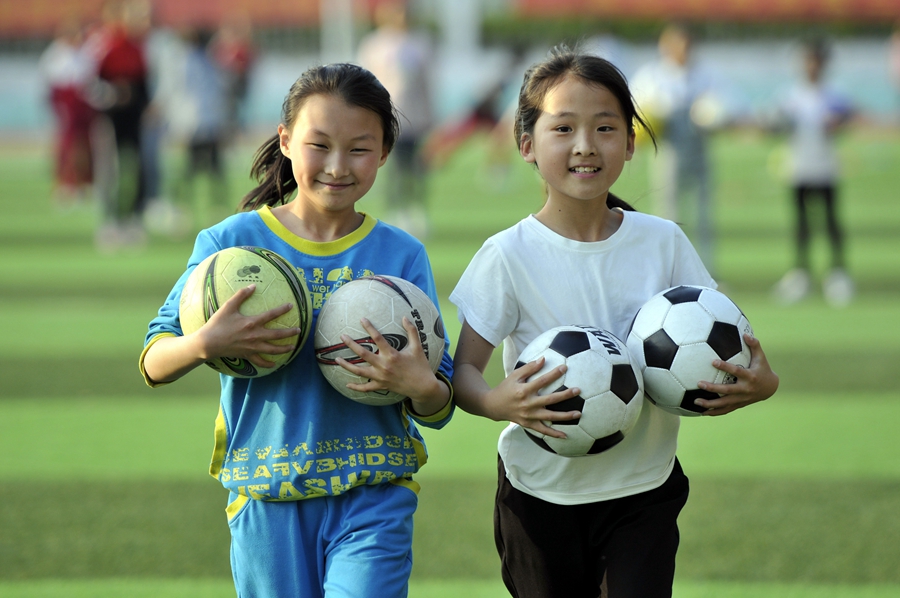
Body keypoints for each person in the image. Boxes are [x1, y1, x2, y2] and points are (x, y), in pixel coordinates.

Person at [450, 46, 778, 598]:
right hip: (539, 494)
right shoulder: (507, 256)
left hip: (643, 489)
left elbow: (730, 343)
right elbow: (462, 373)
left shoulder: (663, 241)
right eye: (564, 128)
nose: (585, 145)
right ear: (527, 145)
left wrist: (761, 383)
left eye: (605, 127)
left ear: (630, 142)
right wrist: (493, 402)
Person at [140, 63, 454, 598]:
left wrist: (418, 383)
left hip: (373, 491)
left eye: (359, 148)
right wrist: (202, 345)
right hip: (266, 496)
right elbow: (153, 360)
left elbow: (440, 402)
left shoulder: (401, 255)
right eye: (319, 145)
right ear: (286, 141)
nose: (338, 166)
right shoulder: (229, 245)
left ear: (383, 153)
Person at [631, 23, 727, 278]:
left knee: (704, 215)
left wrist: (711, 115)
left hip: (699, 148)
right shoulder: (652, 75)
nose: (684, 51)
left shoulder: (706, 73)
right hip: (669, 151)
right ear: (666, 47)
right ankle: (670, 273)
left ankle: (707, 273)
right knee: (668, 215)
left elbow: (721, 106)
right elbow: (638, 110)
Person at [770, 37, 855, 307]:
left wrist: (838, 122)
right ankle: (801, 273)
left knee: (831, 222)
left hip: (826, 167)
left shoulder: (833, 94)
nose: (811, 67)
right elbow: (774, 125)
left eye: (816, 61)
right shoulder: (791, 95)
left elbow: (848, 115)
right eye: (807, 61)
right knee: (802, 224)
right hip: (799, 168)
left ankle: (837, 273)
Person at [357, 0, 434, 239]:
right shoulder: (375, 45)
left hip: (415, 117)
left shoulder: (420, 44)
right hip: (388, 117)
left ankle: (416, 211)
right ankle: (395, 211)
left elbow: (427, 83)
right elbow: (364, 81)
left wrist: (431, 114)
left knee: (418, 167)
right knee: (393, 168)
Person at [38, 18, 97, 208]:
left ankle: (84, 183)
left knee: (86, 146)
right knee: (67, 146)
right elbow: (51, 84)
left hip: (83, 105)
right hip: (66, 105)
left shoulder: (86, 53)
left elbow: (89, 80)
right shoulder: (55, 55)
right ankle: (65, 184)